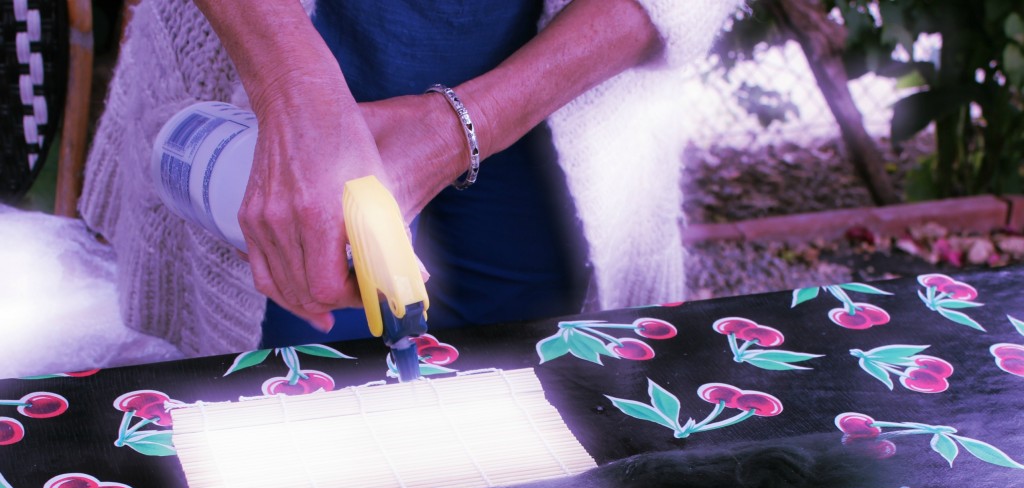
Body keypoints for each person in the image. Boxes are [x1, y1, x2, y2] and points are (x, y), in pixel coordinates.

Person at [80, 0, 743, 355]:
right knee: (285, 419)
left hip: (558, 98)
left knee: (530, 415)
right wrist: (291, 89)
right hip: (274, 71)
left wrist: (456, 129)